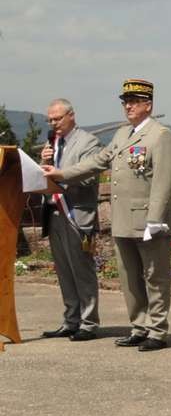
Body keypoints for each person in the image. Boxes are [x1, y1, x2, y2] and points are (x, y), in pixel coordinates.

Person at [43, 79, 171, 352]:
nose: (128, 106)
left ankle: (157, 330)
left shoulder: (160, 135)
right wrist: (61, 173)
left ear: (148, 105)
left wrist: (155, 219)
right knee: (129, 278)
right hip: (123, 220)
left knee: (154, 277)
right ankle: (139, 327)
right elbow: (98, 162)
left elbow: (164, 181)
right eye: (125, 102)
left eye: (135, 102)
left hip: (148, 221)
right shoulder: (122, 134)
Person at [38, 98, 103, 341]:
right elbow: (43, 176)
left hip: (77, 213)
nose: (53, 123)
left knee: (81, 269)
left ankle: (88, 322)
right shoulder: (52, 142)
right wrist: (44, 161)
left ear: (71, 116)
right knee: (64, 270)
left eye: (57, 118)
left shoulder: (88, 142)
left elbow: (89, 177)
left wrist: (60, 175)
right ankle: (71, 320)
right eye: (50, 120)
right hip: (54, 213)